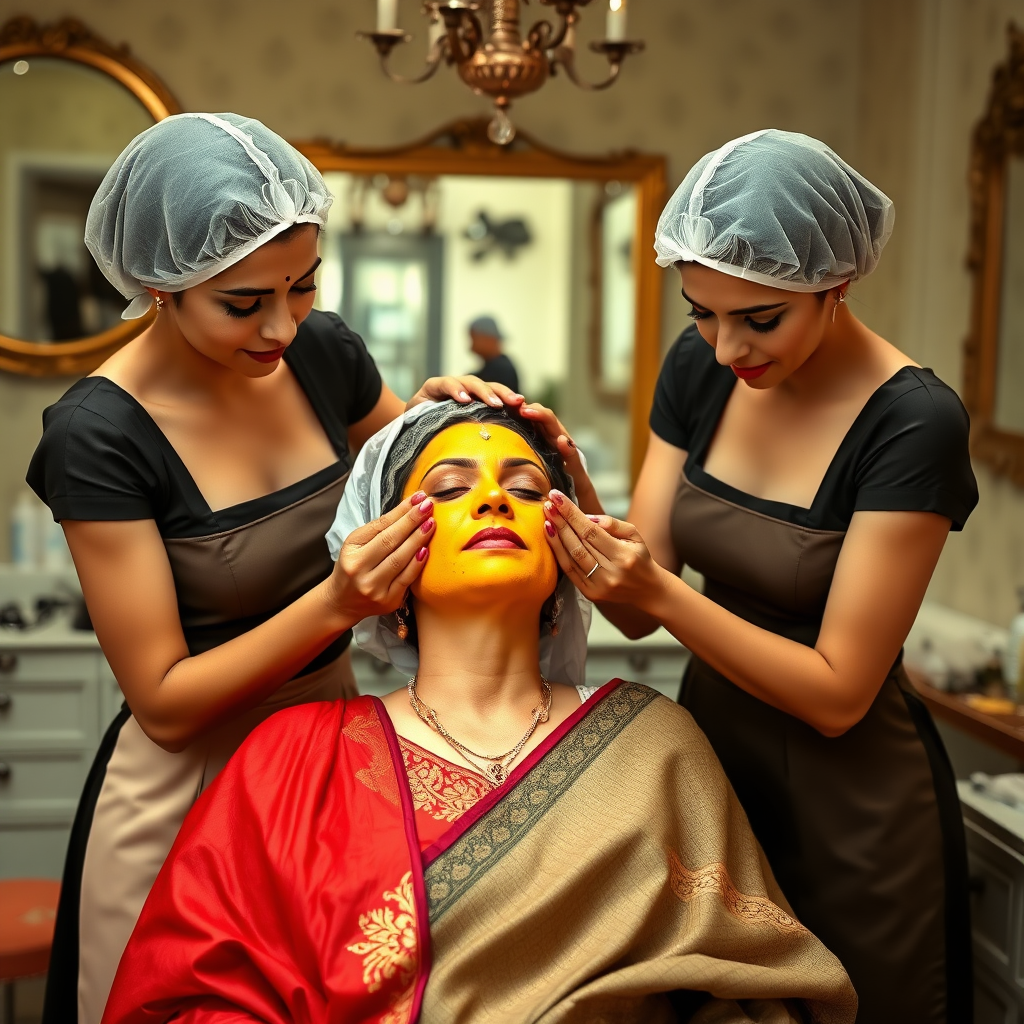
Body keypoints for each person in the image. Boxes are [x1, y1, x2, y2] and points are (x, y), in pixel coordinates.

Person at [101, 400, 856, 1024]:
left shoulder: (655, 744)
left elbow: (753, 995)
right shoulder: (293, 760)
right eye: (449, 488)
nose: (495, 498)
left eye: (528, 490)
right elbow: (188, 997)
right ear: (384, 566)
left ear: (568, 564)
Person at [25, 113, 531, 1024]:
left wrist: (444, 421)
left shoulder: (322, 353)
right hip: (190, 788)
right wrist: (336, 603)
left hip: (338, 759)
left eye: (303, 286)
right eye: (244, 301)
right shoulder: (97, 436)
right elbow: (168, 706)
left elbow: (403, 481)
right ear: (158, 285)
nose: (281, 324)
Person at [540, 130, 979, 1023]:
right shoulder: (698, 371)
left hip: (854, 802)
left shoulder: (913, 422)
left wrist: (660, 594)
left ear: (837, 280)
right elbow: (637, 602)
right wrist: (572, 505)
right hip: (709, 766)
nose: (727, 345)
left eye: (761, 318)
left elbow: (836, 694)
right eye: (702, 311)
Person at [468, 313, 519, 392]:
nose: (471, 346)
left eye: (474, 339)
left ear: (488, 338)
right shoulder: (494, 366)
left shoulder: (502, 369)